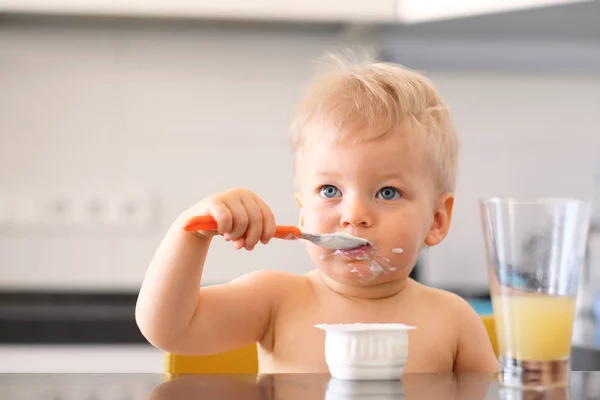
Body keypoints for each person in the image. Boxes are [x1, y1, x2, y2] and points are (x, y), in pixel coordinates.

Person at [135, 52, 498, 373]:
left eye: (387, 192)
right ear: (303, 214)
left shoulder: (454, 321)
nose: (353, 215)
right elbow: (167, 328)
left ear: (437, 220)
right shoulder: (274, 301)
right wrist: (191, 233)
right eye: (330, 191)